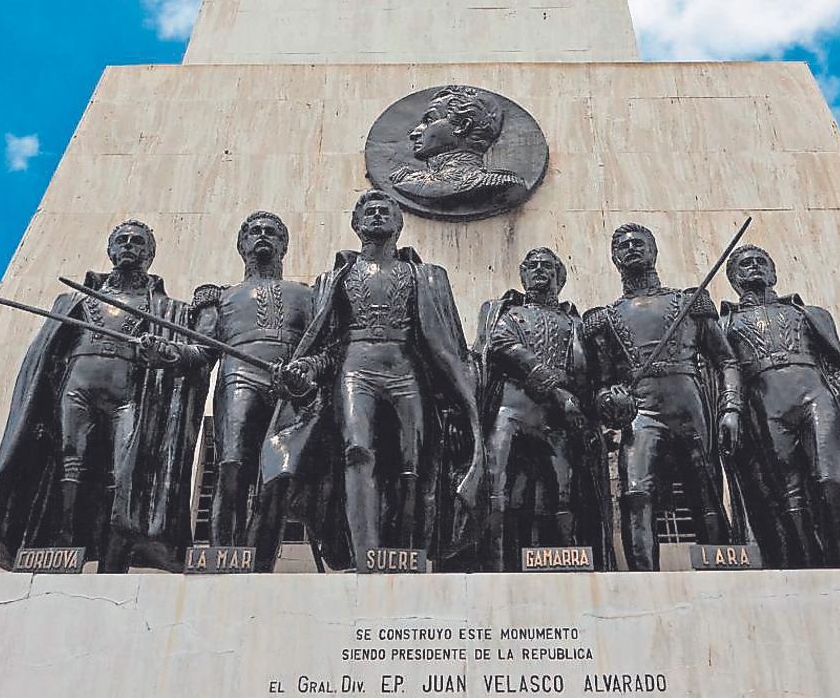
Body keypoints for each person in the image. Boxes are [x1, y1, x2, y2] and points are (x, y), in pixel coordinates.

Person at [0, 221, 208, 572]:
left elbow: (193, 356)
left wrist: (163, 351)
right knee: (70, 461)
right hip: (76, 388)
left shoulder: (165, 308)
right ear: (110, 250)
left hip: (127, 393)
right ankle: (63, 542)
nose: (129, 246)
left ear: (150, 254)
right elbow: (45, 356)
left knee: (124, 470)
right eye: (122, 240)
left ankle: (115, 557)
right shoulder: (73, 301)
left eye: (137, 242)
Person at [262, 190, 484, 568]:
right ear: (356, 224)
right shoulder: (334, 279)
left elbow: (446, 345)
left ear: (399, 224)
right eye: (370, 212)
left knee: (412, 464)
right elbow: (329, 344)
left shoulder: (426, 276)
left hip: (406, 370)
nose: (377, 216)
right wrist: (308, 368)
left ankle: (406, 554)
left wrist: (459, 399)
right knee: (357, 451)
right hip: (355, 368)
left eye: (385, 211)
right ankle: (366, 556)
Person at [720, 243, 840, 567]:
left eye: (760, 261)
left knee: (832, 480)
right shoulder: (725, 323)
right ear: (734, 279)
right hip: (765, 405)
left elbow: (833, 367)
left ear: (773, 273)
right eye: (745, 264)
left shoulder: (810, 314)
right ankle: (804, 564)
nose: (754, 266)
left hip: (816, 396)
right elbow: (727, 371)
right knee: (789, 494)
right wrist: (731, 409)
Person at [584, 223, 741, 571]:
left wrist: (730, 407)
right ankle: (644, 581)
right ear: (614, 259)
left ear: (654, 251)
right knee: (636, 494)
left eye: (639, 243)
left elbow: (726, 360)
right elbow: (601, 383)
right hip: (641, 412)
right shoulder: (603, 318)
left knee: (705, 492)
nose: (631, 249)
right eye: (623, 246)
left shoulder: (690, 302)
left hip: (689, 407)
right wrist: (609, 399)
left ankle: (724, 572)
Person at [475, 247, 613, 570]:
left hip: (558, 420)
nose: (539, 270)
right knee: (497, 487)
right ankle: (495, 568)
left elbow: (591, 375)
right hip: (512, 411)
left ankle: (568, 566)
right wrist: (555, 389)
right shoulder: (507, 315)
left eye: (547, 266)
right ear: (523, 275)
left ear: (559, 277)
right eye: (533, 265)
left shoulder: (574, 323)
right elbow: (502, 344)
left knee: (563, 492)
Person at [190, 211, 313, 559]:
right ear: (242, 244)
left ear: (283, 245)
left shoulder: (305, 295)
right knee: (231, 465)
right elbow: (201, 350)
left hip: (287, 388)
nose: (262, 236)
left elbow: (320, 346)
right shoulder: (220, 296)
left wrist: (303, 373)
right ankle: (223, 555)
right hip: (238, 378)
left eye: (271, 232)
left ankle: (260, 563)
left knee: (277, 477)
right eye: (255, 231)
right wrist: (165, 353)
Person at [389, 85, 524, 211]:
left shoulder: (500, 184)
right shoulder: (411, 180)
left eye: (429, 121)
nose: (414, 133)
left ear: (463, 126)